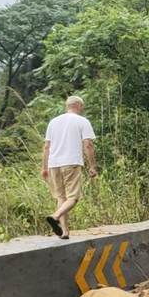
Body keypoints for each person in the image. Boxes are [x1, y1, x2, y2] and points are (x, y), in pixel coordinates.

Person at [42, 96, 97, 239]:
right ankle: (55, 216)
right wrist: (92, 166)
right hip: (71, 163)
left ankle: (64, 231)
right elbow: (88, 145)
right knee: (73, 198)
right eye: (82, 106)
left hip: (54, 164)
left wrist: (44, 167)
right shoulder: (82, 121)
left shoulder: (53, 122)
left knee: (61, 197)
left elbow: (47, 146)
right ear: (79, 105)